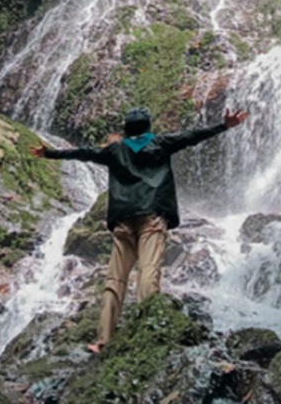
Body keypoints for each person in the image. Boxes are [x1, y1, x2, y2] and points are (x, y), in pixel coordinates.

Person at [29, 106, 250, 353]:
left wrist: (49, 153)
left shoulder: (115, 150)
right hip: (153, 216)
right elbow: (192, 136)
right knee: (148, 271)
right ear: (148, 127)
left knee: (115, 279)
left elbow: (84, 153)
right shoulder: (162, 142)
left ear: (125, 129)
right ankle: (146, 333)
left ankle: (103, 340)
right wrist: (224, 125)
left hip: (123, 219)